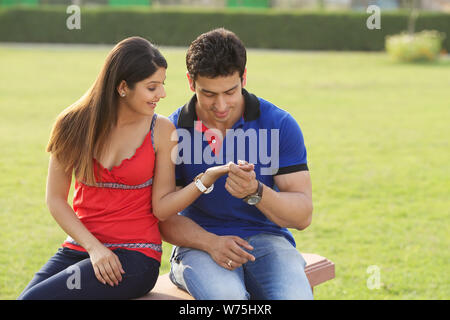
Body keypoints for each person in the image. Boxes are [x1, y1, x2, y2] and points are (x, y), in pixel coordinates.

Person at [18, 36, 231, 300]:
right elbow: (55, 200)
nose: (162, 94)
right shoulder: (71, 124)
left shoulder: (162, 130)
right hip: (82, 249)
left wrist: (204, 180)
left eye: (162, 85)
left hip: (135, 257)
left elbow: (162, 208)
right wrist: (95, 249)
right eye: (152, 87)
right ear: (122, 87)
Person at [159, 28, 314, 300]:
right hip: (199, 245)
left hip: (269, 242)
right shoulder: (172, 130)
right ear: (190, 82)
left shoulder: (279, 123)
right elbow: (163, 216)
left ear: (243, 78)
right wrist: (210, 243)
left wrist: (256, 192)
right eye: (208, 94)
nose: (221, 105)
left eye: (230, 91)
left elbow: (302, 216)